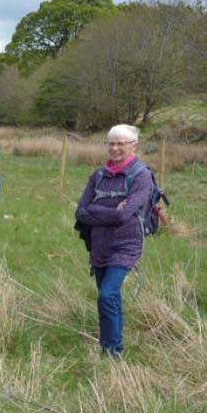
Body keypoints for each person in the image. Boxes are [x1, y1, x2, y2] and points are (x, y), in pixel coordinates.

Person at [75, 124, 154, 356]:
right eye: (111, 143)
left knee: (107, 295)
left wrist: (97, 210)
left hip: (126, 245)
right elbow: (80, 212)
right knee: (110, 298)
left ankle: (109, 349)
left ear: (134, 146)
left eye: (121, 143)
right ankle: (114, 349)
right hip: (99, 245)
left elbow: (124, 214)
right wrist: (113, 212)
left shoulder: (142, 175)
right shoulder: (98, 175)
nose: (115, 148)